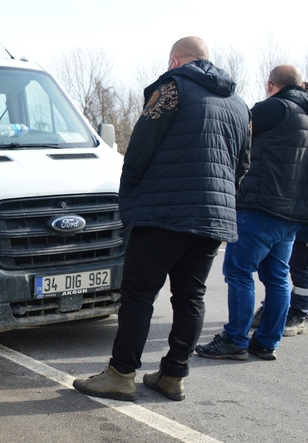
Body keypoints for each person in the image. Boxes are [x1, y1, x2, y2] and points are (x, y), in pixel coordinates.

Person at [72, 37, 251, 402]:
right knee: (191, 297)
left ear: (175, 61)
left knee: (139, 296)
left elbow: (140, 148)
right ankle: (172, 376)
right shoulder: (239, 104)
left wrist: (129, 202)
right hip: (212, 217)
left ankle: (121, 374)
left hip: (162, 214)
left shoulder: (172, 87)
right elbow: (243, 165)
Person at [196, 65, 308, 362]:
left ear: (270, 85)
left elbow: (237, 136)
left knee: (239, 272)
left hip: (261, 205)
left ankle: (235, 339)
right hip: (293, 212)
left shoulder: (273, 108)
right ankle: (267, 342)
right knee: (278, 276)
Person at [252, 83, 308, 335]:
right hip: (299, 199)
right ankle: (276, 307)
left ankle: (299, 312)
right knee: (283, 260)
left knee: (304, 258)